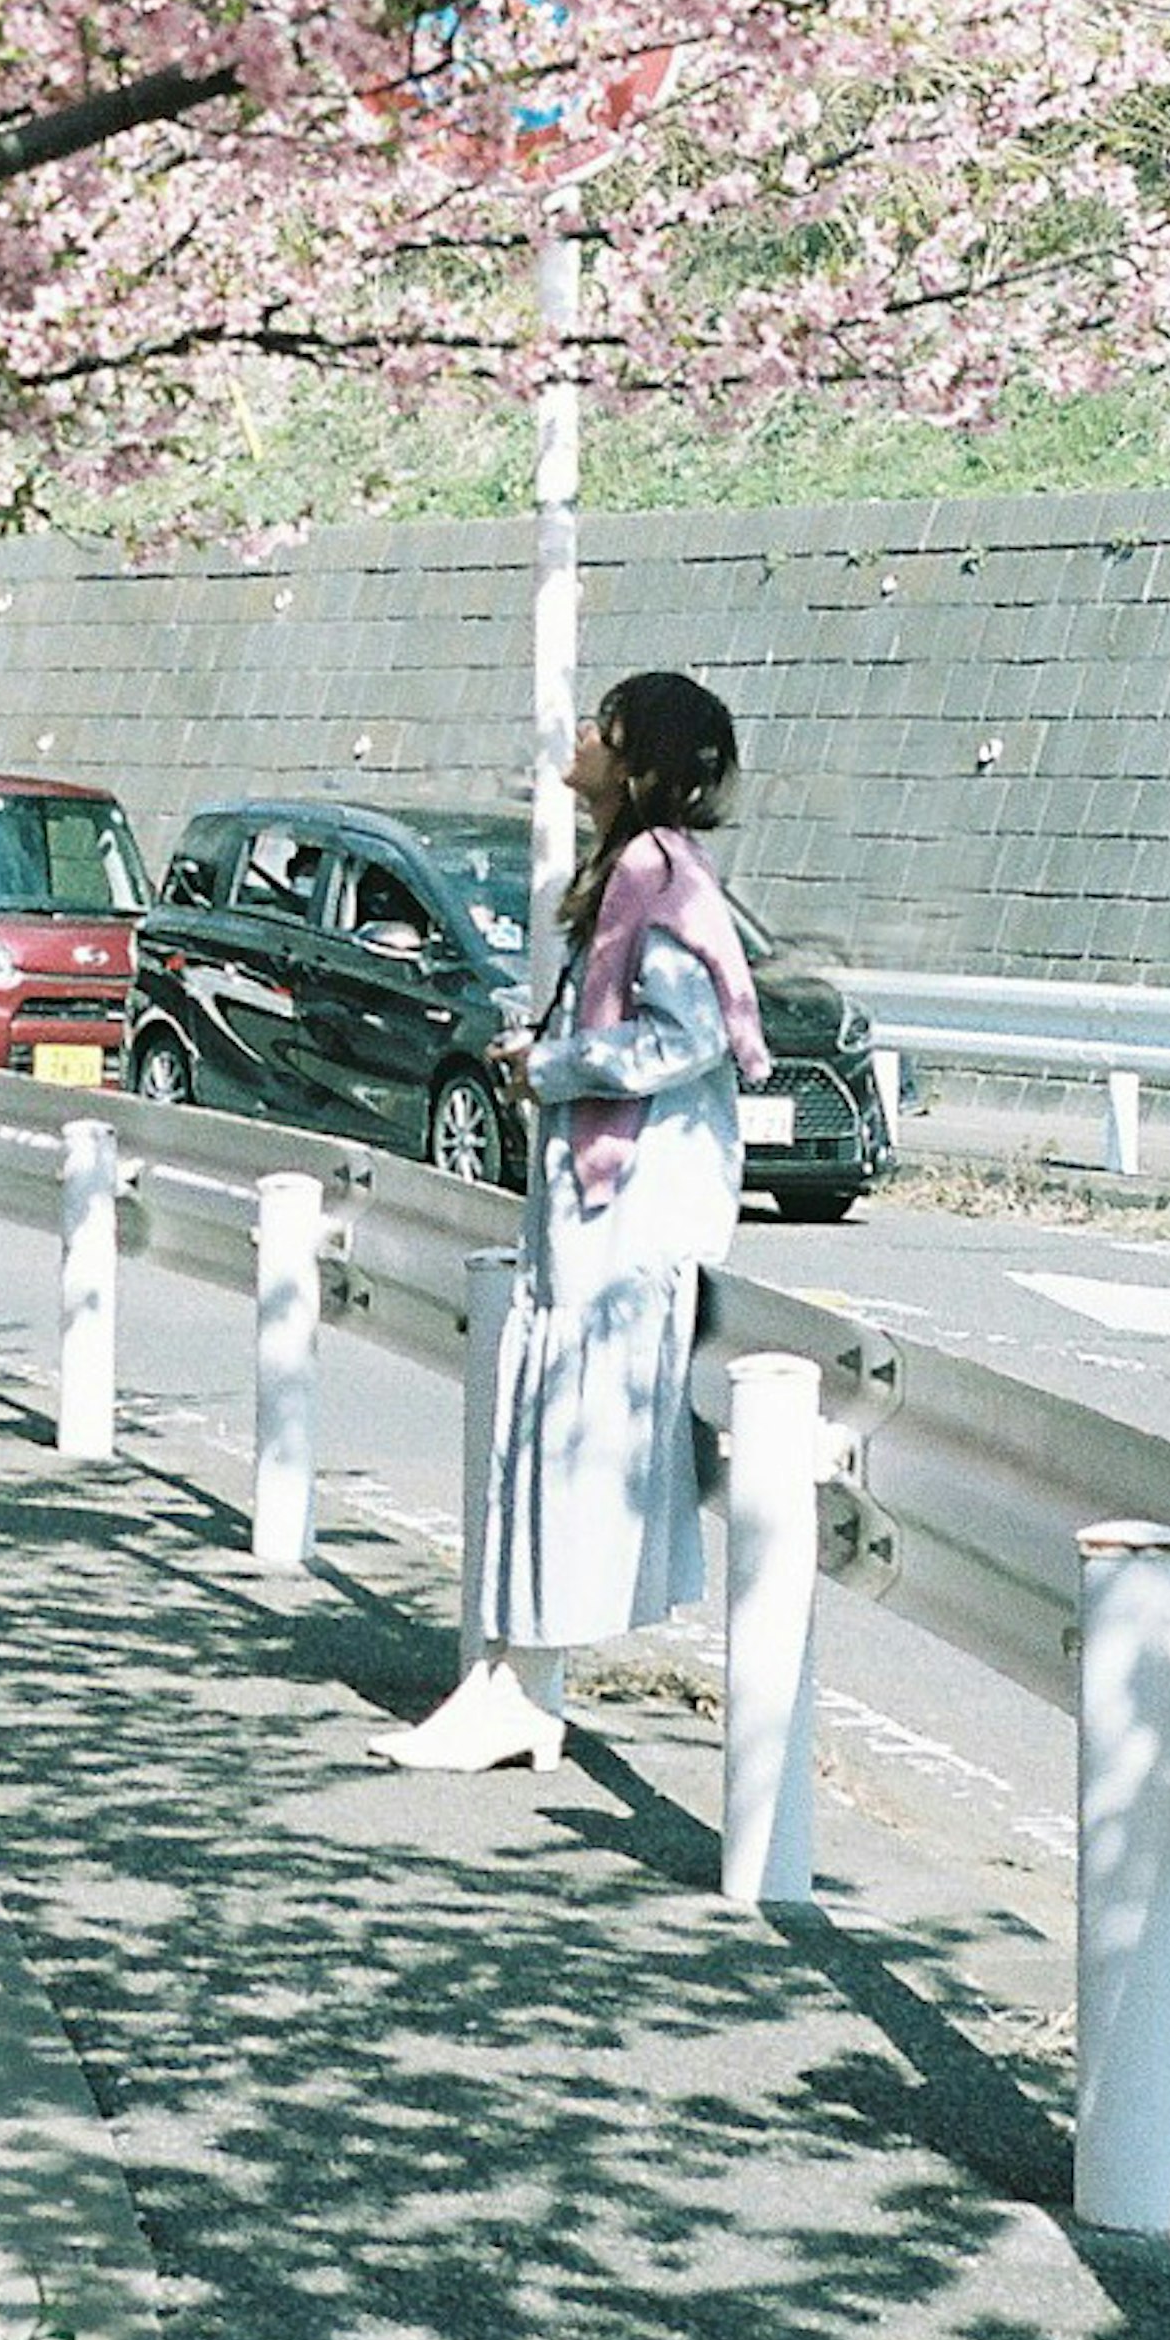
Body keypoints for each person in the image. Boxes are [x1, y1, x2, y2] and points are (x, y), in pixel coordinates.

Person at [375, 670, 771, 1771]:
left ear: (637, 764)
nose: (583, 737)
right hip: (612, 1208)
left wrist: (547, 1066)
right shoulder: (648, 871)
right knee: (549, 1441)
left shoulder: (654, 874)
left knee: (565, 1444)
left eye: (606, 727)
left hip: (629, 1215)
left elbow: (680, 1036)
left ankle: (525, 1692)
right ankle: (511, 1682)